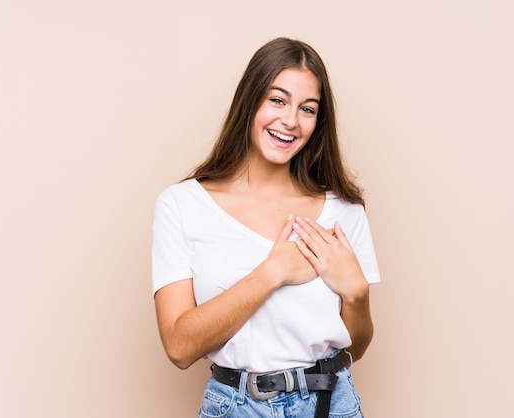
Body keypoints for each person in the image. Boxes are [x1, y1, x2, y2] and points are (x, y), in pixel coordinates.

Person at [152, 37, 381, 418]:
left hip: (332, 403)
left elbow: (356, 347)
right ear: (250, 101)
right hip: (238, 407)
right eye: (277, 100)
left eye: (307, 109)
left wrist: (357, 294)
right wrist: (272, 272)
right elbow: (178, 347)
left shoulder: (344, 211)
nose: (290, 121)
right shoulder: (182, 205)